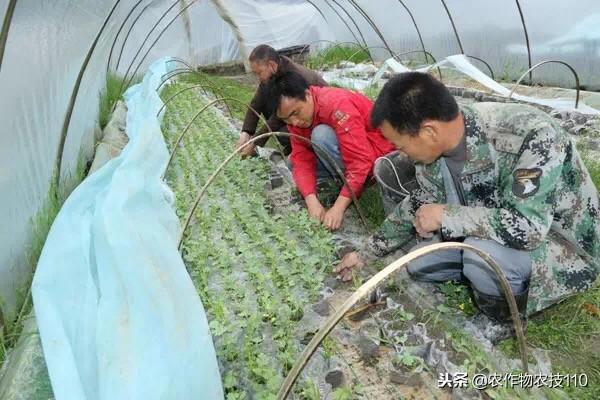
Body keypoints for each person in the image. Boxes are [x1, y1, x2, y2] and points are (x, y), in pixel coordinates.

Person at [334, 72, 600, 339]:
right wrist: (366, 253)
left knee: (478, 255)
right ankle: (483, 275)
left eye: (400, 146)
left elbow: (528, 227)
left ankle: (505, 319)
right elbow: (416, 203)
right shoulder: (435, 152)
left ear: (429, 131)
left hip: (561, 244)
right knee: (418, 263)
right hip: (492, 232)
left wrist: (446, 215)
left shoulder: (534, 136)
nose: (401, 154)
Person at [269, 71, 396, 230]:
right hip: (349, 152)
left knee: (321, 135)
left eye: (296, 113)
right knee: (293, 162)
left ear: (307, 95)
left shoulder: (336, 105)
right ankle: (341, 183)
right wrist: (311, 201)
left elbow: (360, 161)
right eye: (286, 119)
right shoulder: (296, 121)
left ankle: (357, 187)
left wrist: (338, 208)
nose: (294, 122)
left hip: (378, 154)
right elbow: (302, 160)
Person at [235, 44, 327, 157]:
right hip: (302, 114)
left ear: (271, 65)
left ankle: (307, 149)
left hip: (320, 117)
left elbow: (280, 116)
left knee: (285, 129)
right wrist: (246, 132)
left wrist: (255, 142)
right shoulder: (273, 72)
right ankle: (294, 146)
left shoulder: (293, 75)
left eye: (259, 73)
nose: (258, 77)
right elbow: (256, 102)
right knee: (266, 103)